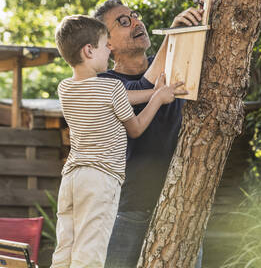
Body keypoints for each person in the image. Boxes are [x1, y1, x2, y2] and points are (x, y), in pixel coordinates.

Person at [51, 15, 186, 268]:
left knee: (65, 246)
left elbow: (125, 95)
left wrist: (154, 91)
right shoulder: (112, 88)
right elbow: (135, 129)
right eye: (105, 47)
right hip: (100, 180)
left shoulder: (65, 88)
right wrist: (157, 99)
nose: (108, 53)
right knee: (91, 251)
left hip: (71, 177)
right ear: (89, 50)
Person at [94, 0, 205, 268]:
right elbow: (145, 89)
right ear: (107, 44)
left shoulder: (173, 63)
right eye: (123, 21)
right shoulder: (105, 84)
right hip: (129, 212)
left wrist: (201, 15)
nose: (136, 22)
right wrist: (173, 35)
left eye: (134, 16)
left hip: (181, 208)